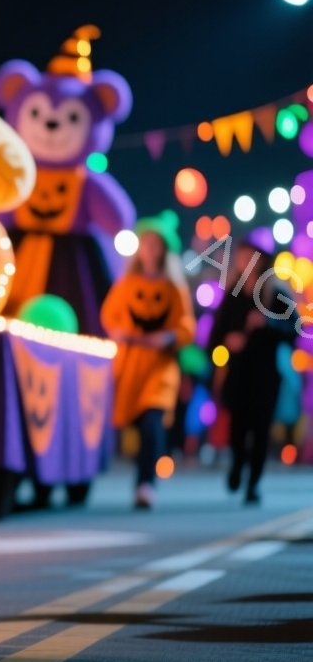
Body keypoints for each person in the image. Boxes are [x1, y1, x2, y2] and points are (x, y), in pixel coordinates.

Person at [100, 214, 194, 510]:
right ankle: (141, 473)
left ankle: (145, 484)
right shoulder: (127, 284)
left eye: (157, 244)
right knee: (137, 427)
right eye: (147, 243)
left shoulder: (173, 288)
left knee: (154, 423)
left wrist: (167, 338)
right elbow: (109, 316)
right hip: (131, 366)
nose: (151, 249)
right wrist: (120, 332)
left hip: (160, 367)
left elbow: (186, 326)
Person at [209, 240, 299, 505]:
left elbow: (294, 331)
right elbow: (215, 336)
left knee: (261, 430)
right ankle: (237, 465)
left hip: (266, 374)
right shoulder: (232, 295)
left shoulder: (277, 293)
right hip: (238, 374)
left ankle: (253, 483)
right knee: (238, 428)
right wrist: (228, 341)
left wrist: (268, 323)